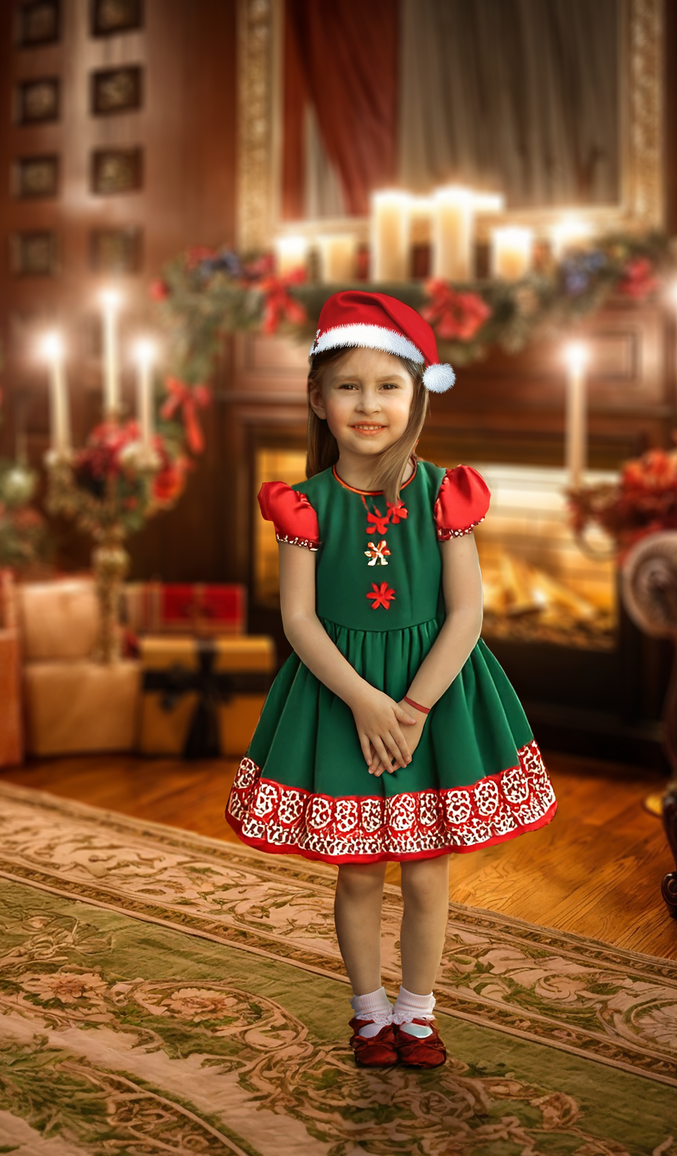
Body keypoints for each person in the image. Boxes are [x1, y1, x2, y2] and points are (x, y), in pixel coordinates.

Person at [225, 290, 557, 1069]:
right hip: (342, 699)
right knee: (359, 873)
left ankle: (417, 1013)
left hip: (433, 701)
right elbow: (300, 621)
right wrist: (367, 703)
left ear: (417, 395)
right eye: (348, 386)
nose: (368, 404)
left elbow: (467, 613)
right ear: (317, 398)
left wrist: (410, 706)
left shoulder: (447, 495)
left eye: (387, 386)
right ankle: (369, 1012)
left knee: (429, 873)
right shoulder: (303, 507)